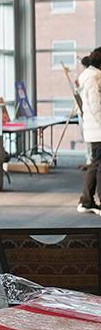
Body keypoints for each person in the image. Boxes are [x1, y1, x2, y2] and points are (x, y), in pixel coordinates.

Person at [77, 48, 101, 214]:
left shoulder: (88, 76)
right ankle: (87, 200)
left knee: (94, 165)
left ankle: (86, 200)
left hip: (93, 130)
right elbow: (96, 106)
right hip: (97, 130)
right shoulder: (94, 78)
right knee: (97, 166)